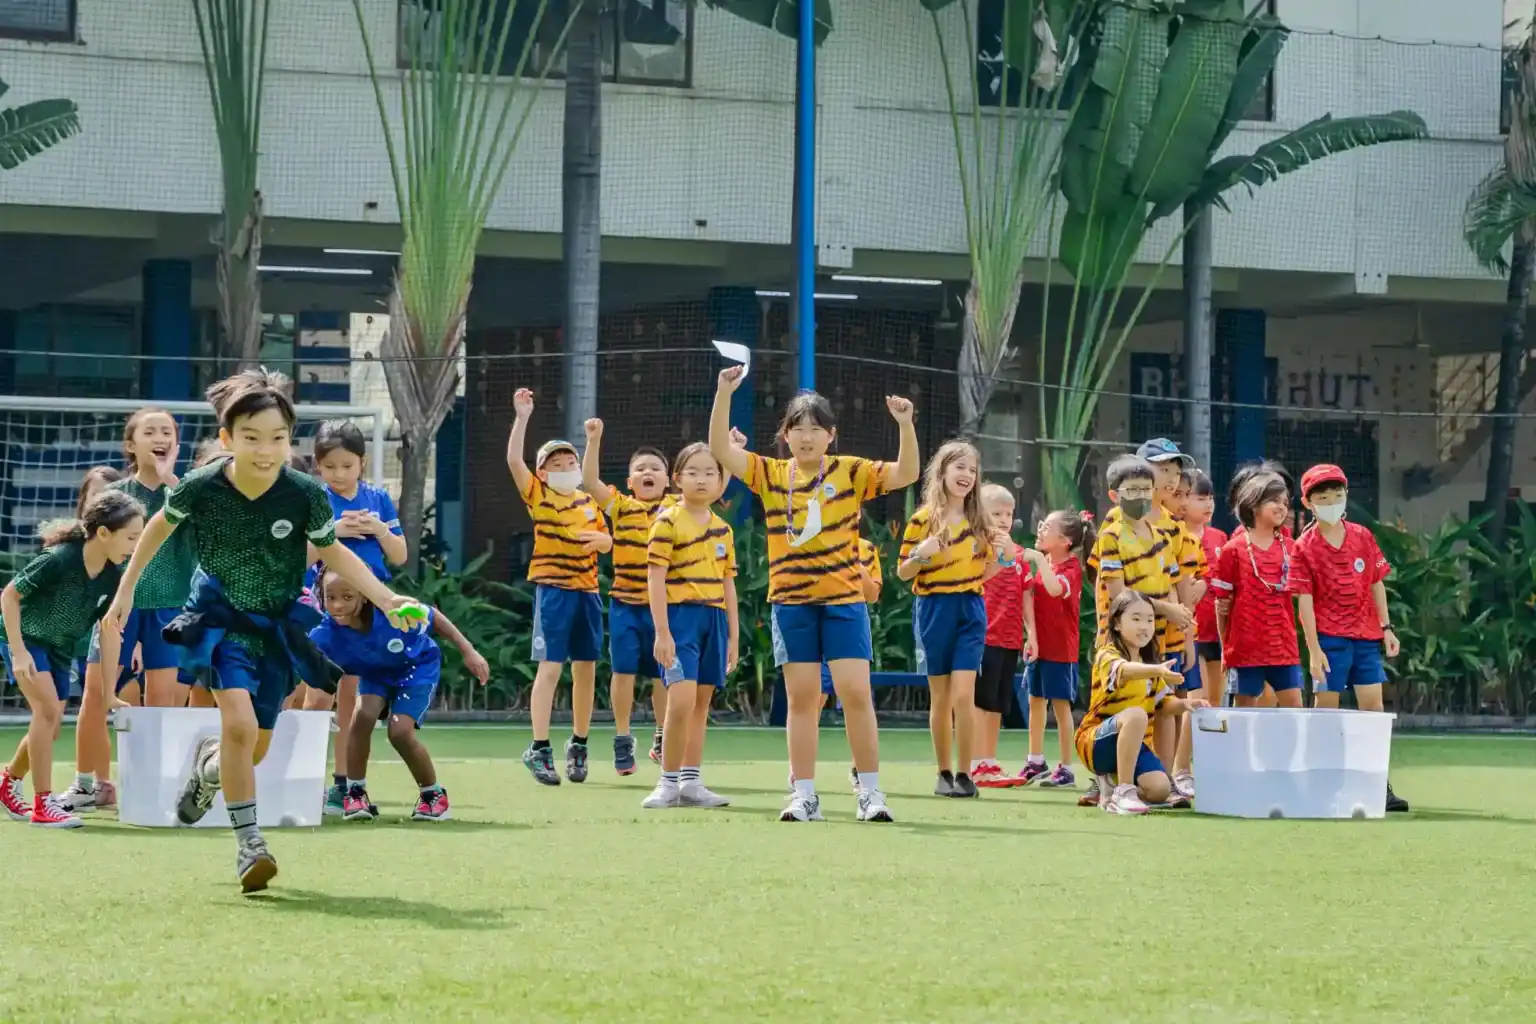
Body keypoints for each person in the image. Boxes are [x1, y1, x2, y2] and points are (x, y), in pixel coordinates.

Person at [105, 369, 418, 893]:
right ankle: (250, 844)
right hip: (220, 617)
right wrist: (126, 589)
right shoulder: (204, 486)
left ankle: (208, 769)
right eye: (251, 438)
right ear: (228, 440)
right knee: (239, 724)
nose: (265, 449)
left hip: (275, 626)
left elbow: (334, 550)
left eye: (276, 437)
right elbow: (158, 526)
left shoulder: (304, 494)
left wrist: (387, 597)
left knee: (255, 746)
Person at [710, 366, 919, 822]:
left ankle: (871, 793)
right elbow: (721, 450)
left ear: (831, 436)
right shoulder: (770, 473)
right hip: (791, 602)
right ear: (784, 435)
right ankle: (803, 794)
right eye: (797, 429)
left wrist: (905, 424)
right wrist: (724, 392)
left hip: (844, 601)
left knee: (855, 694)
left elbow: (907, 472)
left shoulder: (851, 472)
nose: (806, 437)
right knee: (802, 698)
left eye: (815, 429)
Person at [0, 491, 144, 827]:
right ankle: (42, 805)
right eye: (131, 537)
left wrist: (108, 692)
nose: (136, 546)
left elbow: (109, 633)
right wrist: (19, 653)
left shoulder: (114, 575)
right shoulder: (60, 558)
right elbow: (9, 596)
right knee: (48, 712)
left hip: (60, 648)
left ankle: (7, 784)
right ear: (104, 533)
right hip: (25, 639)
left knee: (48, 728)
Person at [308, 570, 489, 822]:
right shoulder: (325, 633)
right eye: (330, 597)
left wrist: (470, 652)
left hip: (416, 670)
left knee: (400, 732)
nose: (338, 605)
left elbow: (434, 617)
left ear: (365, 596)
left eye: (347, 597)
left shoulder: (392, 611)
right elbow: (296, 657)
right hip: (375, 674)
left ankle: (433, 795)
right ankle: (356, 792)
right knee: (362, 718)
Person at [505, 389, 612, 786]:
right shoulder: (539, 495)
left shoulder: (589, 502)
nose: (567, 465)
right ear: (544, 473)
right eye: (557, 462)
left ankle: (579, 744)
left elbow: (606, 540)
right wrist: (522, 416)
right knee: (550, 668)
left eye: (572, 460)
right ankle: (539, 748)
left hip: (587, 593)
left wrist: (607, 543)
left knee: (586, 669)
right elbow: (514, 460)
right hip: (552, 592)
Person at [302, 420, 408, 817]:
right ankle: (302, 777)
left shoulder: (378, 498)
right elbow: (301, 556)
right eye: (330, 467)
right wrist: (334, 532)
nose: (339, 475)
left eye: (347, 466)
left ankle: (345, 785)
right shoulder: (314, 499)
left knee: (353, 699)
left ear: (362, 463)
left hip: (372, 615)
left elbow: (399, 556)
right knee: (317, 698)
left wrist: (379, 529)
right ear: (318, 466)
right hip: (329, 612)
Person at [1294, 464, 1409, 813]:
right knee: (1326, 710)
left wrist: (1386, 628)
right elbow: (1305, 603)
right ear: (1308, 502)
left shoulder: (1362, 536)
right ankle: (1320, 784)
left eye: (1338, 496)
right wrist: (1313, 651)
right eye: (1323, 498)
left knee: (1373, 710)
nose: (1332, 502)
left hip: (1366, 637)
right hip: (1329, 639)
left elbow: (1377, 583)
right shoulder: (1304, 547)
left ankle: (1377, 784)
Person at [898, 440, 1003, 799]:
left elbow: (986, 571)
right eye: (959, 467)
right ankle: (943, 772)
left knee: (964, 693)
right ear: (941, 472)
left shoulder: (980, 523)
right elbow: (902, 572)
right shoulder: (922, 520)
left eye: (972, 470)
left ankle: (965, 774)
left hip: (970, 610)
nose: (966, 475)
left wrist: (1000, 560)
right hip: (932, 610)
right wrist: (921, 555)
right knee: (941, 697)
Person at [1083, 454, 1189, 808]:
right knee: (1125, 707)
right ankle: (1111, 782)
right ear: (1115, 495)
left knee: (1158, 706)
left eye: (1146, 488)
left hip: (1154, 638)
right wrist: (1165, 610)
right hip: (1123, 634)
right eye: (1133, 490)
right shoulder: (1111, 535)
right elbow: (1121, 597)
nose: (1142, 495)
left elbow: (1173, 583)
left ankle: (1159, 778)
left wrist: (1178, 625)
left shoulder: (1160, 534)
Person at [641, 443, 739, 809]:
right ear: (678, 479)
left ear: (720, 482)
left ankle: (691, 783)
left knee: (701, 705)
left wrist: (733, 636)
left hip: (714, 620)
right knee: (679, 702)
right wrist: (662, 632)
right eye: (693, 472)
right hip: (680, 620)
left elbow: (729, 583)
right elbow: (655, 579)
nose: (701, 479)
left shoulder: (723, 530)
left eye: (710, 472)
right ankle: (667, 782)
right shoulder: (666, 522)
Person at [581, 418, 670, 775]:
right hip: (625, 604)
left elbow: (713, 488)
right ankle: (622, 738)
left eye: (656, 468)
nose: (648, 472)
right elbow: (589, 482)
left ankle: (663, 737)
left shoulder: (677, 509)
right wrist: (594, 439)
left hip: (664, 607)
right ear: (631, 482)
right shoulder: (620, 506)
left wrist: (730, 450)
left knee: (664, 675)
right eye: (641, 469)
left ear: (668, 479)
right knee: (623, 671)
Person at [1075, 589, 1207, 815]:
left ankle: (1110, 785)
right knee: (1136, 714)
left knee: (1160, 789)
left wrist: (1186, 705)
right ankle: (1122, 792)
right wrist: (1156, 670)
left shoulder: (1150, 664)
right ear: (1116, 624)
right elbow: (1125, 671)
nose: (1144, 626)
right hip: (1095, 741)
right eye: (1135, 619)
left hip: (1133, 744)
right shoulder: (1107, 655)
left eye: (1149, 620)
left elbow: (1165, 703)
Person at [55, 466, 125, 811]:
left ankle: (105, 783)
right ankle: (95, 783)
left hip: (111, 635)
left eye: (110, 494)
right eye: (95, 494)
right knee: (86, 707)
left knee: (105, 703)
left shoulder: (124, 549)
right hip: (70, 637)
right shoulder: (66, 547)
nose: (101, 500)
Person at [1212, 471, 1306, 710]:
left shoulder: (1292, 549)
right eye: (1274, 501)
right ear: (1253, 505)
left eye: (1285, 502)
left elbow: (1305, 595)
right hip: (1245, 650)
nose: (1282, 507)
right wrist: (1226, 650)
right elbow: (1221, 605)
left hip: (1284, 647)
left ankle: (1291, 750)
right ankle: (1241, 749)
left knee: (1295, 707)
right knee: (1244, 710)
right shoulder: (1233, 550)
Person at [1017, 508, 1093, 788]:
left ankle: (1066, 769)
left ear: (1064, 540)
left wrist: (1036, 558)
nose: (1040, 530)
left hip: (1061, 650)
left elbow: (1053, 589)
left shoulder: (1071, 569)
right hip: (1040, 647)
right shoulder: (1047, 562)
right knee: (1035, 701)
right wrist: (1031, 636)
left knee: (1061, 709)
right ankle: (1035, 760)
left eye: (1046, 527)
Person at [970, 484, 1027, 789]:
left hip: (1010, 639)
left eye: (1009, 513)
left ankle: (989, 761)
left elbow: (1025, 595)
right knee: (980, 702)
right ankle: (975, 762)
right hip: (984, 637)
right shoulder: (977, 547)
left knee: (997, 705)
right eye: (996, 513)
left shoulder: (1017, 552)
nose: (1004, 519)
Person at [1183, 470, 1228, 708]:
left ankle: (1213, 747)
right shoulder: (1176, 536)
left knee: (1215, 702)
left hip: (1218, 631)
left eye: (1210, 498)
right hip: (1191, 631)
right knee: (1196, 701)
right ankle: (1184, 747)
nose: (1208, 504)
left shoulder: (1220, 537)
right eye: (1200, 498)